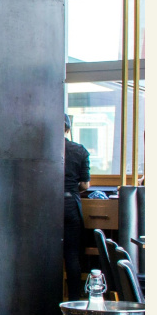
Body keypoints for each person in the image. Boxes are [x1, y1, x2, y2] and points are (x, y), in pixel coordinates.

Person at [65, 114, 91, 296]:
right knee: (72, 254)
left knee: (45, 255)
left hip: (44, 207)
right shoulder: (80, 150)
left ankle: (46, 305)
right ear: (68, 129)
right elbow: (85, 185)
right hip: (70, 205)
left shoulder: (41, 151)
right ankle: (74, 300)